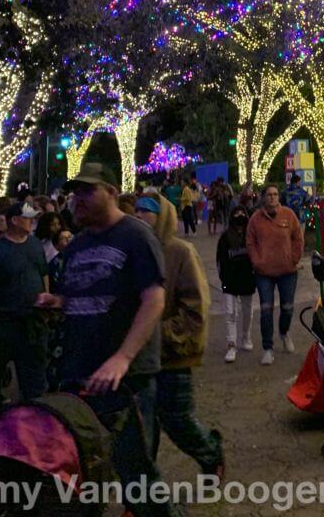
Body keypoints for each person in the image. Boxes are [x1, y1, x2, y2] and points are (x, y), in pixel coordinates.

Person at [36, 144, 179, 517]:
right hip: (81, 375)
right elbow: (86, 296)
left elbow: (153, 300)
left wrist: (123, 357)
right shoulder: (78, 244)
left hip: (126, 379)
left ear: (112, 192)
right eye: (74, 192)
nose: (77, 199)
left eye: (87, 191)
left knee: (138, 477)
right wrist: (59, 303)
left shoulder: (135, 236)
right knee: (87, 469)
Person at [134, 193, 223, 479]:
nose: (139, 215)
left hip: (174, 355)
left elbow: (195, 311)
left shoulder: (181, 253)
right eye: (135, 210)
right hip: (139, 360)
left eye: (146, 211)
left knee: (178, 421)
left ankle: (210, 452)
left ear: (162, 216)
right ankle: (143, 497)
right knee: (142, 429)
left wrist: (154, 334)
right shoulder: (134, 253)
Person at [0, 201, 49, 421]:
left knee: (34, 371)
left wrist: (46, 301)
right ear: (14, 221)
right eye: (27, 217)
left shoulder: (35, 245)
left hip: (32, 321)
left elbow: (43, 273)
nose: (31, 221)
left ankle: (33, 411)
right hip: (4, 322)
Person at [246, 184, 303, 365]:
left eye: (275, 194)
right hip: (264, 272)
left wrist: (294, 258)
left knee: (287, 307)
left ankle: (284, 333)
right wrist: (256, 261)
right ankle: (268, 348)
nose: (272, 197)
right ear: (263, 197)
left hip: (287, 271)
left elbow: (297, 237)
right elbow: (250, 242)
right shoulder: (255, 219)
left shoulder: (288, 214)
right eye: (269, 194)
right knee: (266, 309)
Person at [216, 204, 255, 363]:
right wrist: (223, 277)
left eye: (242, 213)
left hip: (247, 279)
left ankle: (246, 336)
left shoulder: (251, 235)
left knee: (248, 312)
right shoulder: (225, 237)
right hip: (229, 281)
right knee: (231, 313)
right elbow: (220, 260)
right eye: (236, 213)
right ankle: (231, 345)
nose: (240, 216)